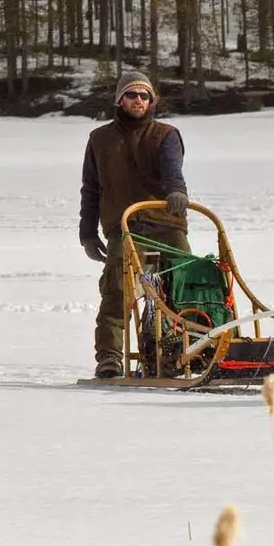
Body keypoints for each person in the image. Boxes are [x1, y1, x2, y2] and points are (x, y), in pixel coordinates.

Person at [79, 72, 191, 378]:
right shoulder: (99, 140)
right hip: (123, 226)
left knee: (182, 283)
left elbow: (172, 170)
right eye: (132, 95)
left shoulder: (166, 134)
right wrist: (87, 234)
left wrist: (177, 192)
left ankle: (172, 352)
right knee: (117, 288)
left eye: (144, 96)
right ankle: (109, 356)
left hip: (165, 223)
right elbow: (91, 189)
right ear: (120, 100)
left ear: (152, 101)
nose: (138, 101)